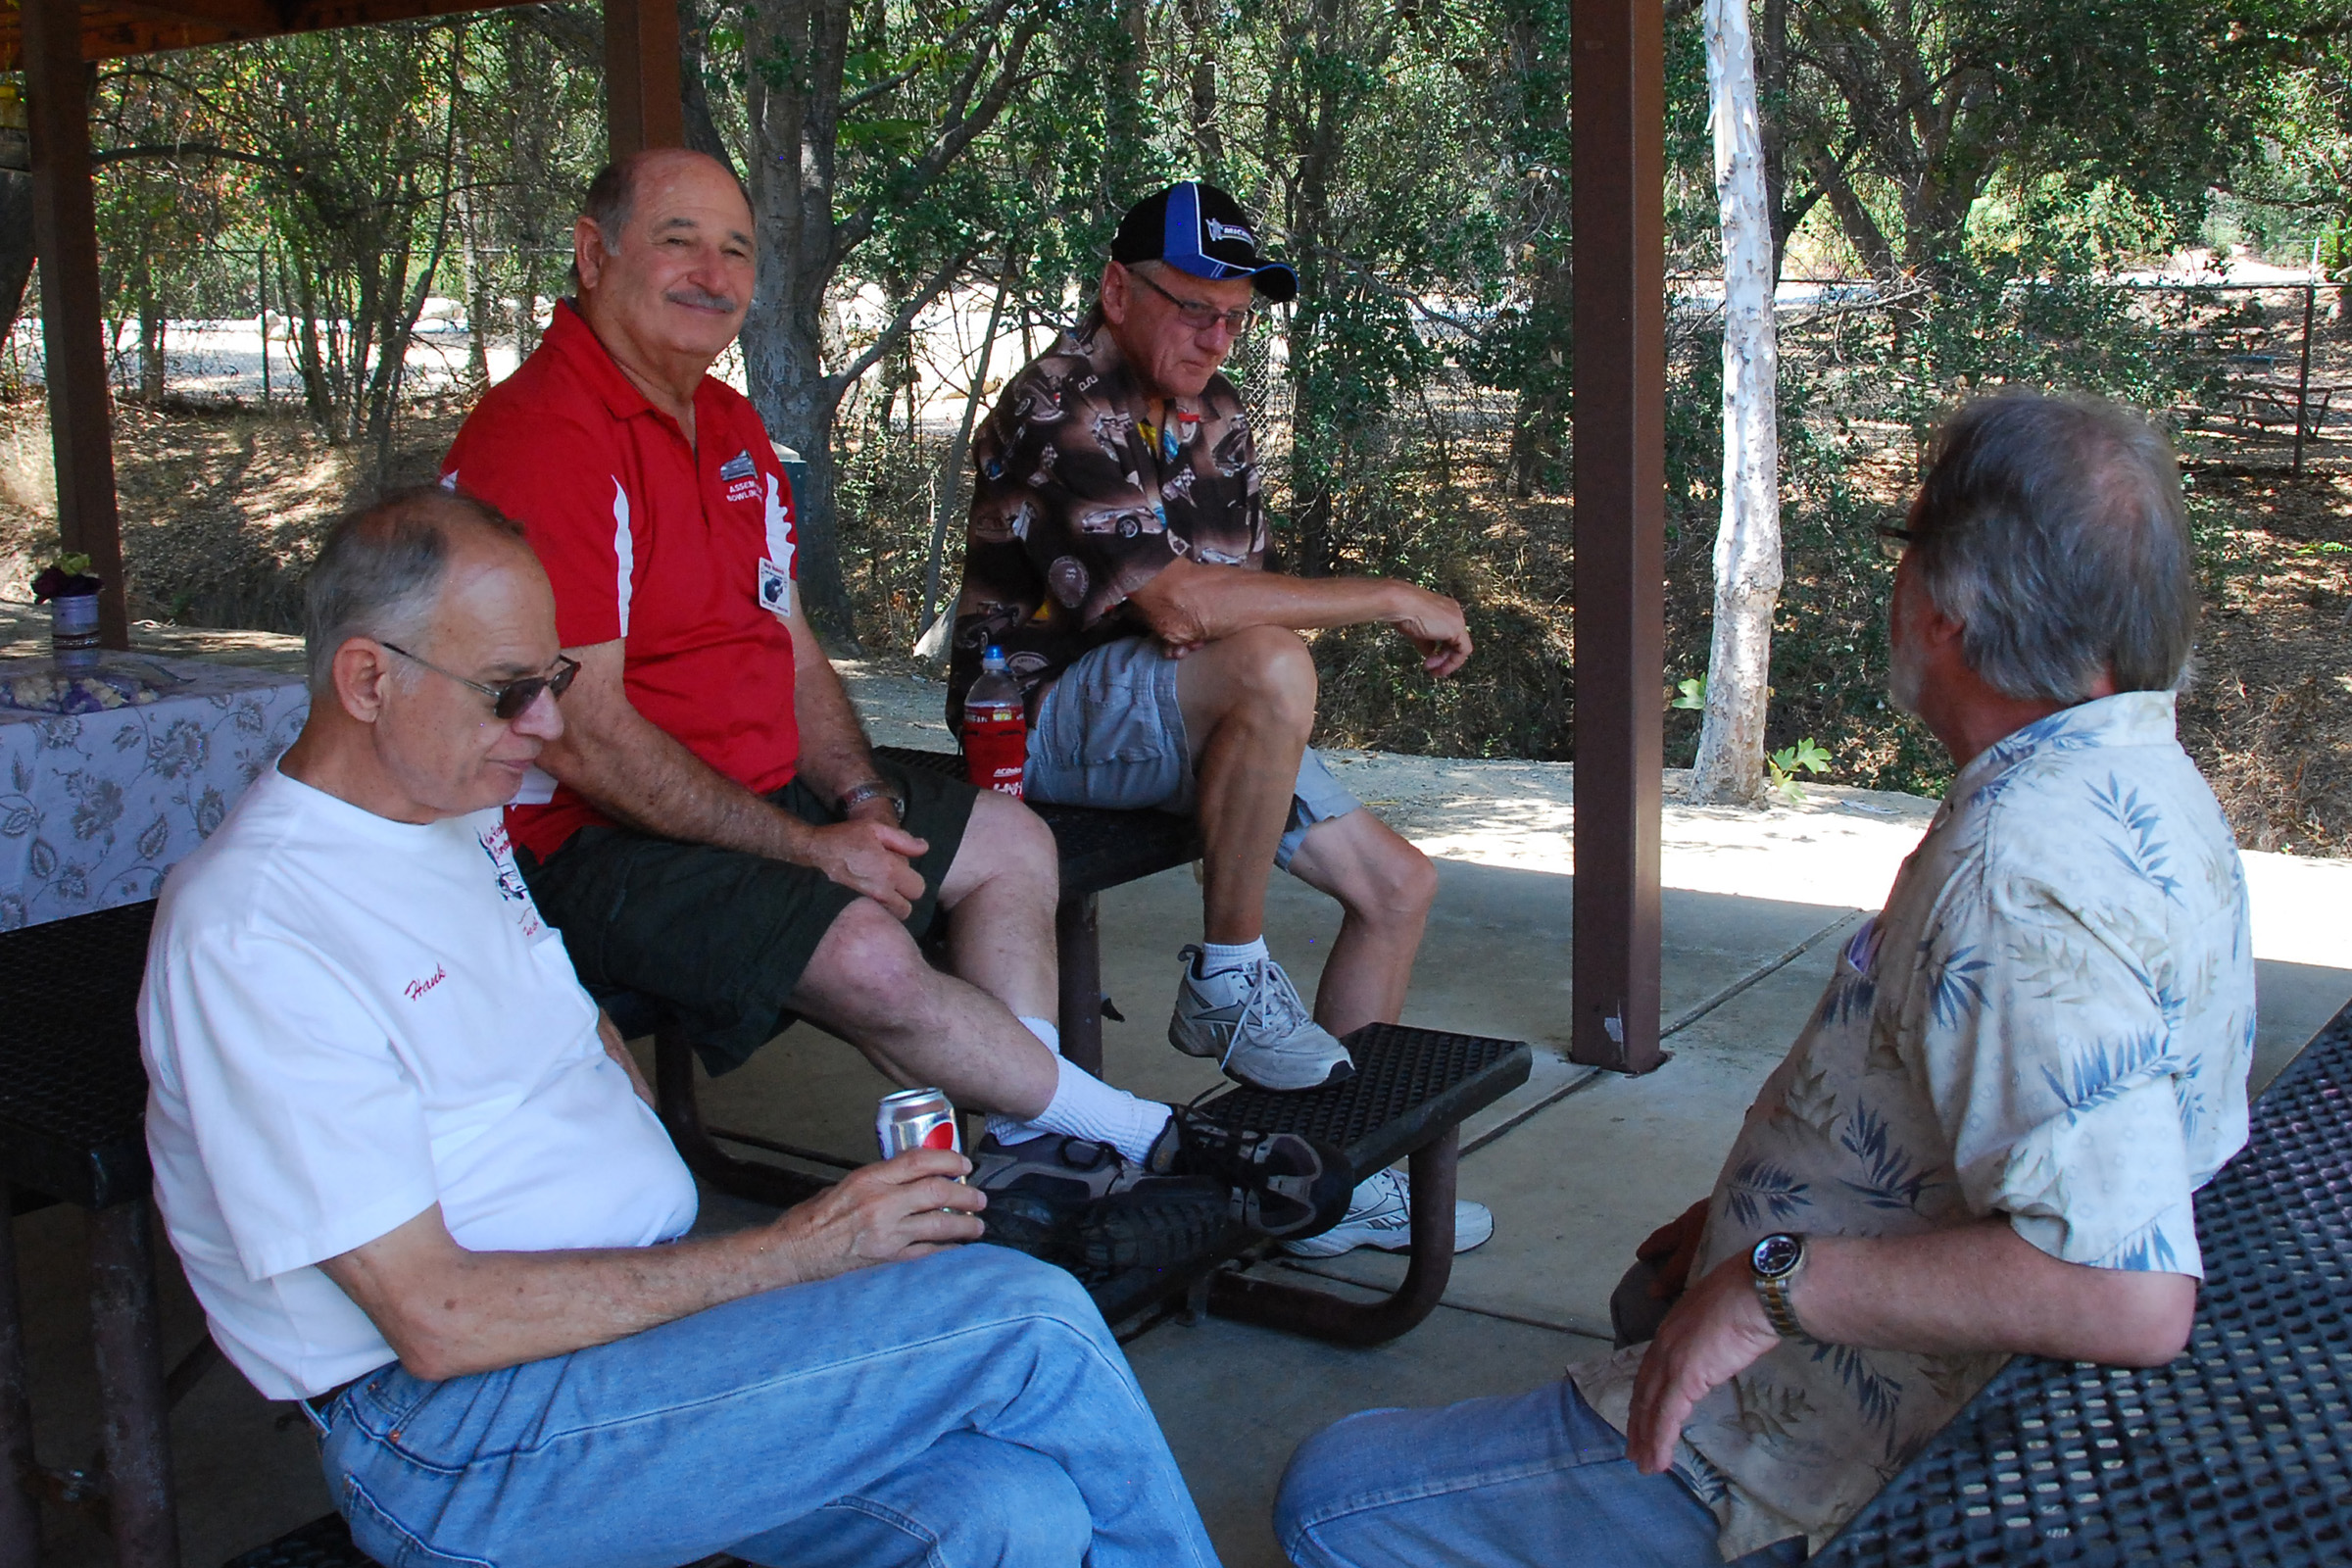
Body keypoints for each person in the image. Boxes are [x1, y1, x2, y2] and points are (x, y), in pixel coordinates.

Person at [138, 490, 1223, 1568]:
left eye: (553, 680)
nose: (551, 726)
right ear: (369, 679)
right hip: (455, 1440)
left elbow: (580, 1043)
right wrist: (789, 1256)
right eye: (511, 692)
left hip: (624, 1345)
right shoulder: (258, 929)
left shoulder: (453, 813)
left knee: (1009, 1508)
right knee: (1029, 1322)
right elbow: (436, 1318)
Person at [1272, 390, 2256, 1566]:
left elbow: (2123, 1293)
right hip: (1905, 1379)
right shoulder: (2138, 778)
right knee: (1645, 1300)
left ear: (1949, 603)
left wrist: (1768, 1279)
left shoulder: (2021, 867)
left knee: (1331, 1498)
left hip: (1838, 1456)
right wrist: (1745, 1221)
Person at [441, 149, 1352, 1251]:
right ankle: (1140, 1134)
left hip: (751, 792)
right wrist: (806, 848)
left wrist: (856, 789)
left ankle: (1029, 1150)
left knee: (1011, 843)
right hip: (583, 839)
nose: (713, 271)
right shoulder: (547, 434)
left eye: (736, 248)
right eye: (678, 239)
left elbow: (788, 645)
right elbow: (583, 737)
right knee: (867, 943)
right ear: (594, 256)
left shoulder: (726, 431)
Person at [947, 180, 1491, 1260]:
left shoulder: (1220, 414)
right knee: (1274, 668)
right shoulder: (1063, 400)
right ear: (1116, 288)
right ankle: (1229, 979)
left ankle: (1322, 1182)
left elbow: (1219, 615)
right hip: (1038, 719)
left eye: (1236, 314)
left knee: (1397, 886)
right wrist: (1392, 596)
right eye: (1194, 306)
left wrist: (1229, 633)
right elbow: (1187, 606)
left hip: (1173, 704)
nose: (1217, 334)